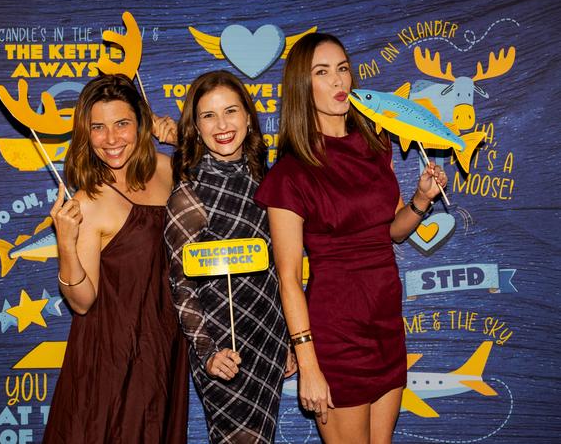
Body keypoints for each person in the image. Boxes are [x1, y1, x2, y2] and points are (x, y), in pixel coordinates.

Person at [254, 33, 448, 444]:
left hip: (385, 324)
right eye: (322, 72)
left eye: (342, 68)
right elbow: (287, 278)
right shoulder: (290, 174)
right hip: (337, 334)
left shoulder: (376, 144)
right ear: (302, 88)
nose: (338, 81)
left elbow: (391, 232)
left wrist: (420, 200)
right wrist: (308, 364)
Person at [43, 73, 188, 444]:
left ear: (140, 123)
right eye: (98, 127)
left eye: (122, 124)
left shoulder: (168, 169)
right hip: (110, 355)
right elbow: (81, 301)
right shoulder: (88, 200)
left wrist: (183, 141)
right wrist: (65, 243)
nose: (111, 139)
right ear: (85, 133)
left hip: (165, 345)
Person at [164, 70, 295, 443]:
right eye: (208, 115)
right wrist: (206, 352)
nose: (222, 125)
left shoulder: (265, 182)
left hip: (268, 337)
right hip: (223, 348)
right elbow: (180, 284)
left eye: (231, 111)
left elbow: (277, 269)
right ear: (195, 126)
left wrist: (288, 338)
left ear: (249, 118)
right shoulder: (188, 196)